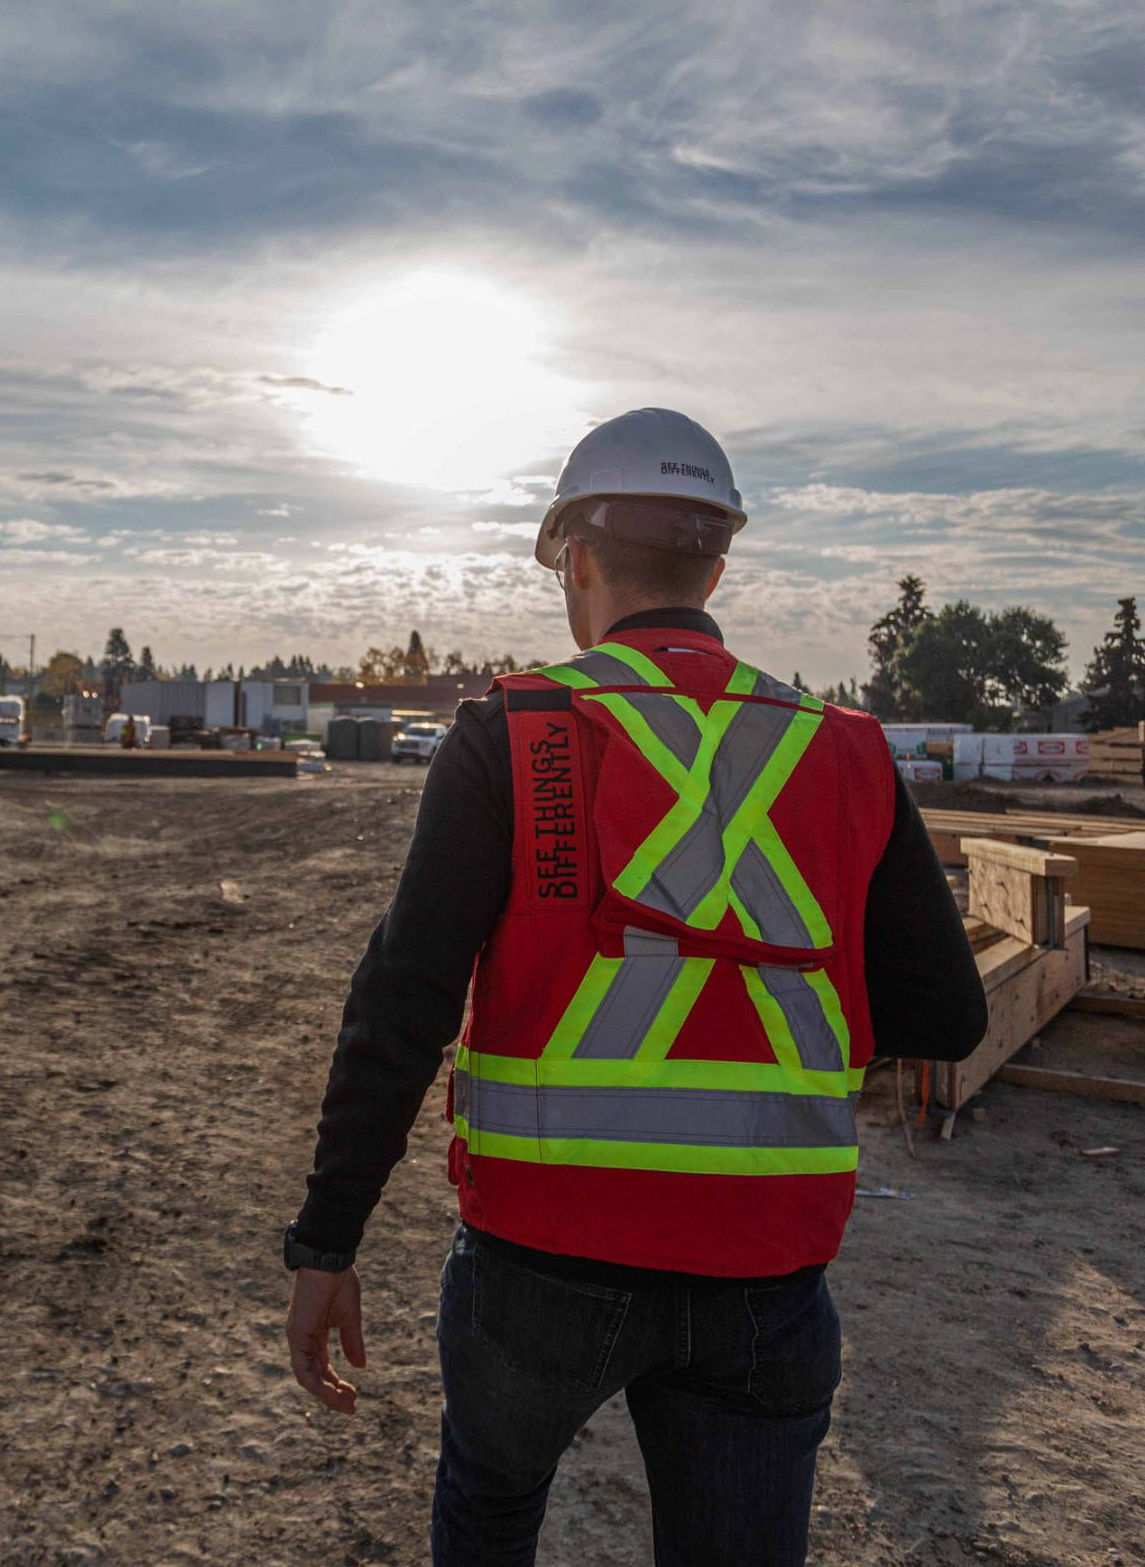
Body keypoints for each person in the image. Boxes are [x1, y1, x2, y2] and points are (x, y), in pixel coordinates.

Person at [283, 407, 988, 1567]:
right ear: (717, 563)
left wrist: (326, 1244)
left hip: (540, 1262)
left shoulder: (516, 736)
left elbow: (401, 1004)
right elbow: (948, 1015)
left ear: (574, 561)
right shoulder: (845, 747)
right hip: (765, 1268)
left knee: (491, 1515)